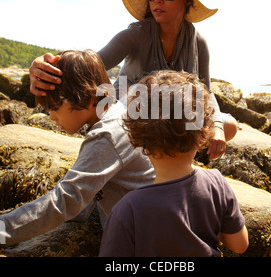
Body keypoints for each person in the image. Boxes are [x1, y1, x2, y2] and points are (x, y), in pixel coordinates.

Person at [29, 0, 237, 162]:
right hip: (129, 113)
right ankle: (165, 158)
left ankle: (173, 157)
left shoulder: (198, 42)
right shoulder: (136, 34)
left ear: (187, 1)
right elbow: (88, 65)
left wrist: (217, 127)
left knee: (229, 126)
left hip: (170, 115)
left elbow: (205, 92)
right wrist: (45, 64)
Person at [0, 50, 155, 247]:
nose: (51, 117)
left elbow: (65, 202)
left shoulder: (107, 136)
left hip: (142, 241)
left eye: (55, 107)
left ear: (87, 97)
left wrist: (3, 229)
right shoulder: (116, 115)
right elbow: (88, 190)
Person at [99, 70, 248, 257]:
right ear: (202, 133)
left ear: (137, 137)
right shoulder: (216, 184)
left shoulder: (127, 209)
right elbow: (240, 245)